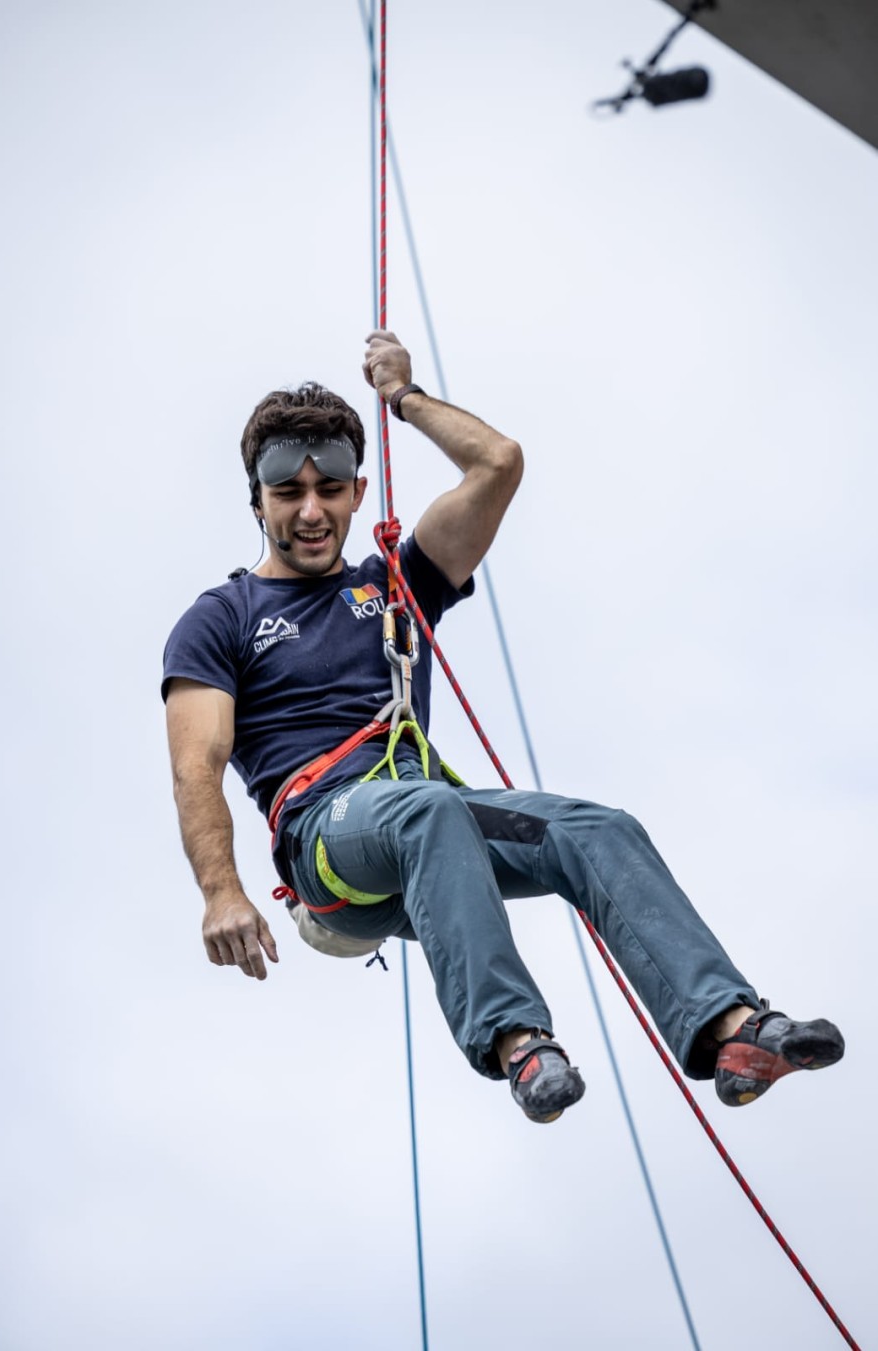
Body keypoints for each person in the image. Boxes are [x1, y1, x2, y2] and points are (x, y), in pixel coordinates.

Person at [162, 330, 844, 1124]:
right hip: (329, 842)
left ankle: (729, 1027)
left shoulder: (396, 585)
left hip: (427, 826)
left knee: (596, 827)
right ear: (258, 502)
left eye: (330, 488)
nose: (311, 510)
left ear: (356, 493)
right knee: (430, 810)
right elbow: (196, 764)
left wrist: (404, 399)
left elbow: (498, 463)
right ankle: (518, 1041)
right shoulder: (224, 617)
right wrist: (222, 892)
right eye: (288, 494)